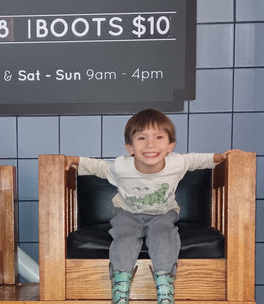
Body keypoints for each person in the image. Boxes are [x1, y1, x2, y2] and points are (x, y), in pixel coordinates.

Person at [64, 109, 235, 304]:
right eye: (142, 138)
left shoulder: (177, 163)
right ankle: (120, 282)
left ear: (171, 145)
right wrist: (73, 160)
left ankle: (164, 282)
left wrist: (221, 157)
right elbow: (99, 167)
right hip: (127, 211)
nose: (150, 144)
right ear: (130, 147)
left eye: (159, 137)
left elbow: (197, 160)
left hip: (163, 212)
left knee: (164, 235)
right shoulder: (122, 166)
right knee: (124, 236)